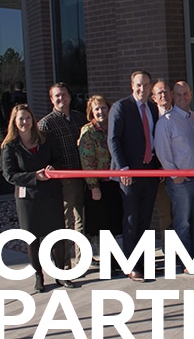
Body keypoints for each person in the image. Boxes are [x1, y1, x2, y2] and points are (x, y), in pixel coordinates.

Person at [2, 104, 76, 292]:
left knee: (57, 236)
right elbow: (9, 174)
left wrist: (52, 168)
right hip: (28, 198)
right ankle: (39, 276)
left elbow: (58, 159)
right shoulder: (10, 146)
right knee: (32, 239)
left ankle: (61, 273)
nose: (25, 122)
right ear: (15, 122)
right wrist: (34, 176)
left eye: (28, 118)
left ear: (33, 120)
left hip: (50, 194)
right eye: (21, 119)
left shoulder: (46, 139)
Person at [108, 70, 161, 282]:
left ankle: (144, 263)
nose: (142, 89)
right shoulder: (121, 107)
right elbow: (113, 140)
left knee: (145, 220)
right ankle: (132, 266)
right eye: (139, 85)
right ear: (132, 86)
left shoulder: (152, 108)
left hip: (150, 172)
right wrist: (123, 169)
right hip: (129, 175)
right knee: (131, 219)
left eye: (146, 85)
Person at [155, 81, 194, 266]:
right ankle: (186, 260)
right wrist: (173, 174)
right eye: (178, 94)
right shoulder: (166, 121)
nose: (182, 97)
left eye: (185, 93)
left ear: (191, 94)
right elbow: (162, 150)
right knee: (182, 222)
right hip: (181, 181)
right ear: (172, 96)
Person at [37, 82, 87, 269]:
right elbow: (43, 154)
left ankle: (82, 260)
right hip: (63, 180)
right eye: (57, 96)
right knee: (67, 222)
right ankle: (64, 264)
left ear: (69, 97)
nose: (61, 99)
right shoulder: (46, 123)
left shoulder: (78, 118)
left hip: (83, 175)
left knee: (82, 220)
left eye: (64, 95)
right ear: (51, 99)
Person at [78, 95, 123, 268]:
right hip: (98, 186)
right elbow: (87, 161)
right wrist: (93, 186)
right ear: (91, 111)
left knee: (115, 222)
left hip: (114, 182)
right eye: (96, 109)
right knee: (102, 226)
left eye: (103, 107)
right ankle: (108, 263)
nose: (100, 111)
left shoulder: (113, 128)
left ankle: (117, 260)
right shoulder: (88, 131)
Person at [151, 80, 174, 246]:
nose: (163, 95)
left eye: (166, 91)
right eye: (159, 93)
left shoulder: (183, 114)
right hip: (160, 174)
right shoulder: (150, 117)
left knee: (182, 214)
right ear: (154, 98)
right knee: (165, 213)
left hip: (182, 173)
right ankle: (170, 249)